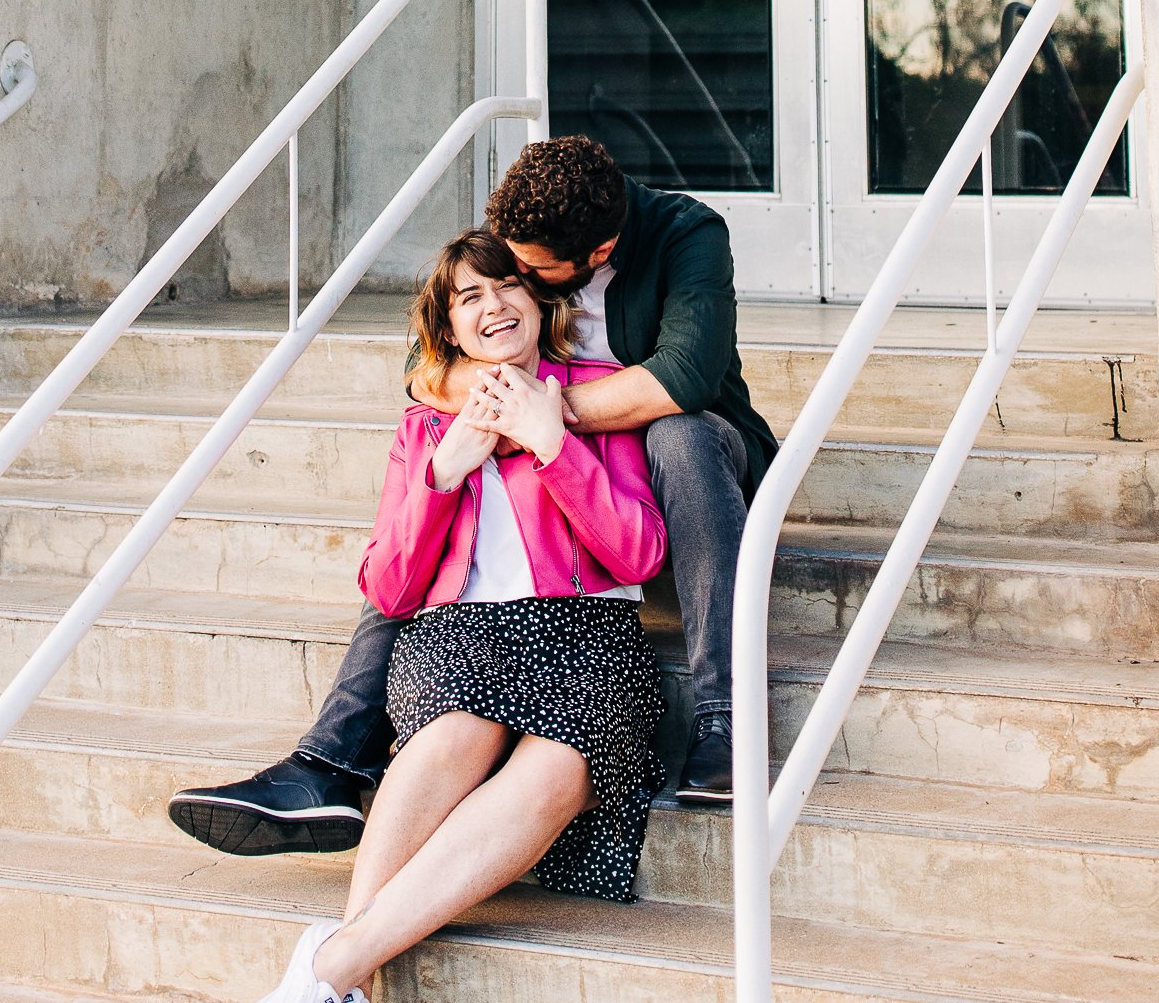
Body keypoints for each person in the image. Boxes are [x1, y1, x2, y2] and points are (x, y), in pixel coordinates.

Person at [171, 133, 775, 855]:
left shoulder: (686, 235)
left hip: (671, 455)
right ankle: (327, 761)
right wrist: (501, 418)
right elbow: (425, 368)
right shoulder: (525, 230)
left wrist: (542, 414)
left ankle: (723, 716)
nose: (509, 274)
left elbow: (684, 377)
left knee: (680, 433)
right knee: (433, 493)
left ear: (600, 251)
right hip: (549, 459)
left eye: (527, 272)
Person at [232, 225, 667, 1003]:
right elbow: (389, 587)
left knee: (557, 773)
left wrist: (555, 445)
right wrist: (441, 473)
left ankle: (327, 972)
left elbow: (641, 554)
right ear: (449, 331)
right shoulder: (424, 424)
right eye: (468, 297)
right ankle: (345, 983)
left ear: (540, 303)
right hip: (459, 633)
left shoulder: (599, 399)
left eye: (505, 286)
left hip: (588, 634)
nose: (492, 305)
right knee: (447, 740)